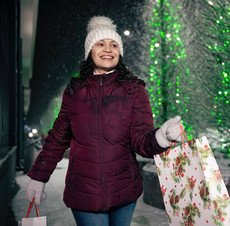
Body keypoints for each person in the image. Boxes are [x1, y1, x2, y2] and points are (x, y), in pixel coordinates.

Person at [26, 16, 182, 226]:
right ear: (90, 51)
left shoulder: (134, 89)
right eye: (100, 44)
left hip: (124, 193)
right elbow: (56, 140)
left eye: (114, 45)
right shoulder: (75, 91)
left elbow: (140, 140)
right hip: (84, 195)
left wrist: (160, 138)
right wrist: (38, 176)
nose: (108, 49)